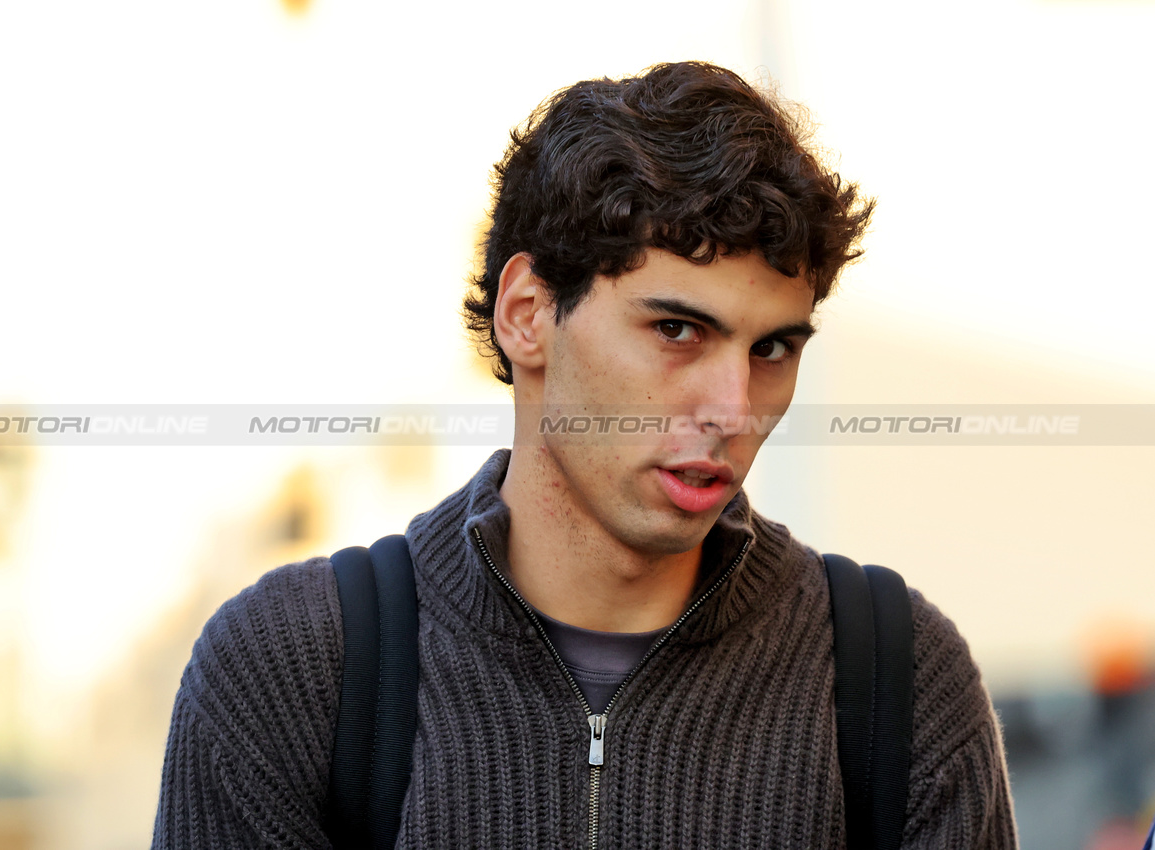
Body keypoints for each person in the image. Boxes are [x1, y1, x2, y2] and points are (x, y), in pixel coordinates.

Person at [151, 61, 1018, 848]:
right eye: (676, 330)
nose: (732, 409)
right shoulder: (292, 672)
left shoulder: (894, 679)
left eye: (772, 349)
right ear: (527, 313)